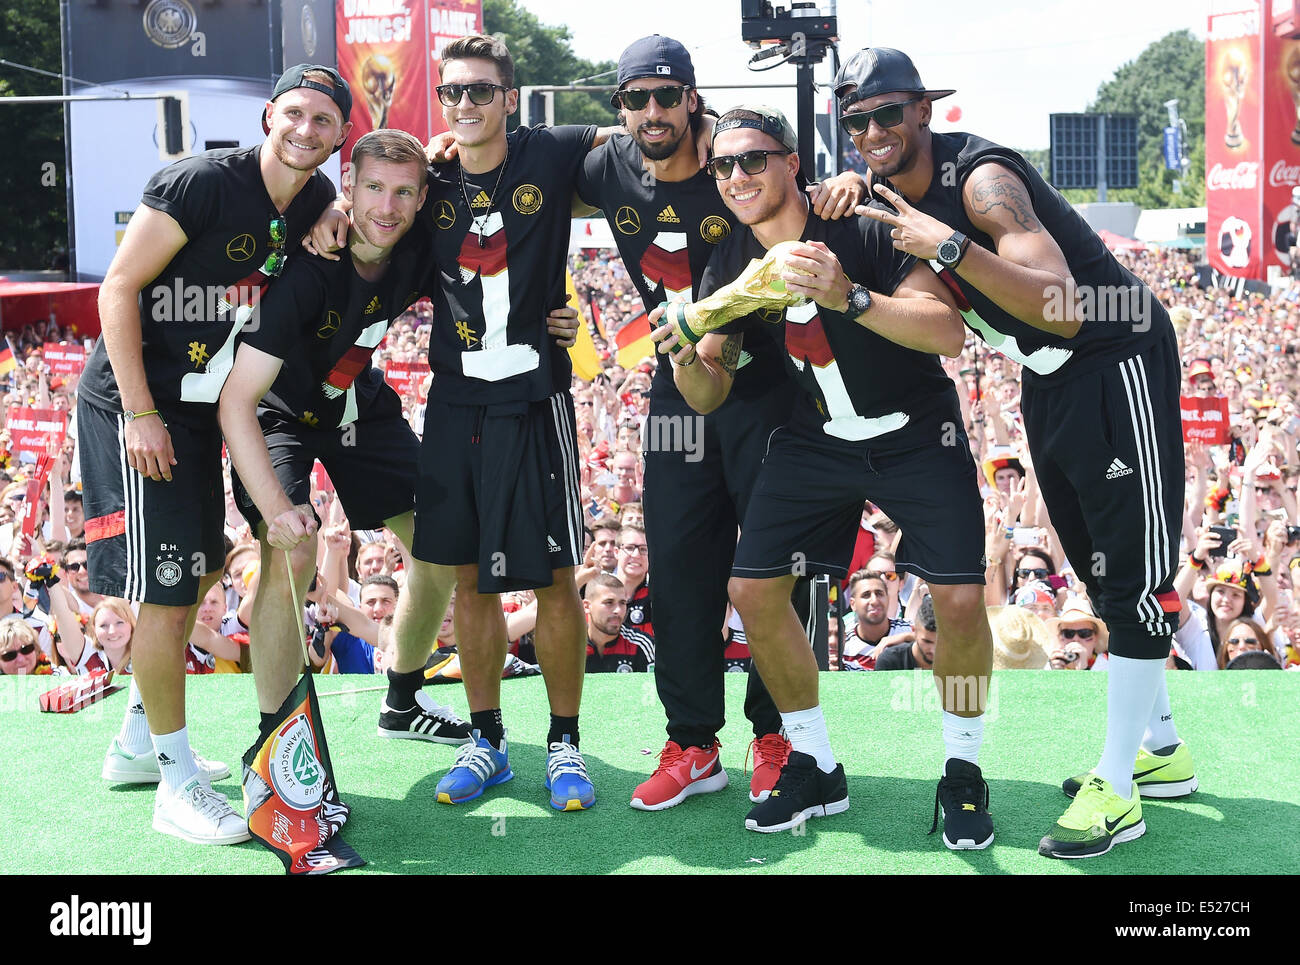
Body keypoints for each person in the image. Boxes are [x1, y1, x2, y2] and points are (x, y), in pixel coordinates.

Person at [841, 46, 1189, 858]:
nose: (874, 131)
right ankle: (1164, 752)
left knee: (1134, 573)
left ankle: (1120, 787)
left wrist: (950, 246)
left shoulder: (981, 181)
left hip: (1115, 356)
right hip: (1049, 376)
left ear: (925, 110)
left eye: (889, 112)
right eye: (857, 120)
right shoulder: (886, 185)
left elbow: (1065, 306)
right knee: (1099, 568)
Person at [653, 105, 990, 846]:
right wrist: (683, 355)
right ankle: (814, 760)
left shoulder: (860, 222)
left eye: (755, 159)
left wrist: (850, 297)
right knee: (752, 587)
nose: (737, 176)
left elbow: (949, 332)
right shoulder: (729, 259)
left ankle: (963, 771)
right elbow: (709, 391)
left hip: (914, 431)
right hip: (817, 439)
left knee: (960, 600)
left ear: (792, 162)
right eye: (724, 165)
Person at [575, 35, 865, 812]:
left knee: (777, 570)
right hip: (681, 387)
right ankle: (692, 740)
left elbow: (804, 188)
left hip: (772, 391)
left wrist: (846, 182)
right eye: (634, 99)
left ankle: (780, 738)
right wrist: (444, 146)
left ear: (693, 99)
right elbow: (521, 169)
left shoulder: (735, 162)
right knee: (677, 568)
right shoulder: (605, 164)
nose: (651, 112)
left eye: (666, 96)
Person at [79, 64, 350, 845]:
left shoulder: (315, 201)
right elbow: (118, 288)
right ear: (269, 115)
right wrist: (137, 411)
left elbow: (391, 182)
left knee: (198, 568)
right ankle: (175, 781)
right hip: (140, 404)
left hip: (200, 408)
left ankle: (137, 739)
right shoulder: (199, 180)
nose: (306, 129)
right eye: (294, 113)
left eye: (324, 121)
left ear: (338, 138)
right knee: (165, 595)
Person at [409, 34, 616, 811]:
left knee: (555, 575)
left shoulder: (549, 152)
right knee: (468, 577)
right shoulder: (428, 181)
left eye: (481, 92)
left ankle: (564, 743)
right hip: (455, 402)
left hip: (535, 401)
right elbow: (367, 200)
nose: (466, 104)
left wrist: (703, 127)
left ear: (510, 98)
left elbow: (636, 138)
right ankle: (487, 738)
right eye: (453, 92)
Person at [220, 129, 476, 753]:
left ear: (421, 200)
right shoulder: (309, 270)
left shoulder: (417, 244)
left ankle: (404, 697)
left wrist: (451, 141)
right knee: (293, 550)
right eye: (374, 189)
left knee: (443, 546)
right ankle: (279, 738)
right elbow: (239, 401)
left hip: (356, 403)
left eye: (403, 193)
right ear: (349, 188)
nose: (386, 208)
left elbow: (523, 177)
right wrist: (279, 509)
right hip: (277, 413)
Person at [584, 573, 655, 674]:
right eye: (609, 602)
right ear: (587, 606)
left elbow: (651, 688)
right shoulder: (571, 645)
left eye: (622, 603)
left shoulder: (641, 645)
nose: (618, 610)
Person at [874, 595, 938, 670]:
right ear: (914, 631)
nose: (933, 650)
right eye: (927, 642)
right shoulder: (890, 661)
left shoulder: (954, 660)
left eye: (941, 643)